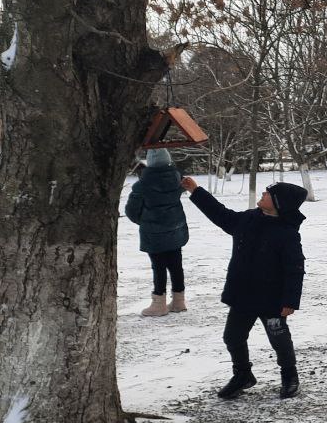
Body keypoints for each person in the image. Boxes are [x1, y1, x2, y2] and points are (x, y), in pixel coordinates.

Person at [181, 176, 309, 399]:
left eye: (268, 193)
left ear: (279, 203)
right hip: (243, 297)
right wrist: (196, 191)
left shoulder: (287, 233)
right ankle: (242, 375)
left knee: (279, 340)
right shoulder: (248, 219)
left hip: (272, 301)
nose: (263, 194)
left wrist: (290, 301)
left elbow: (295, 268)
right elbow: (220, 214)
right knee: (232, 337)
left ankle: (290, 376)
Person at [125, 149, 190, 317]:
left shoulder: (143, 185)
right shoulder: (177, 179)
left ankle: (158, 303)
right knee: (176, 265)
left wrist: (145, 221)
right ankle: (179, 300)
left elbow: (131, 210)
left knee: (158, 266)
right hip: (176, 229)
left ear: (150, 162)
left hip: (154, 234)